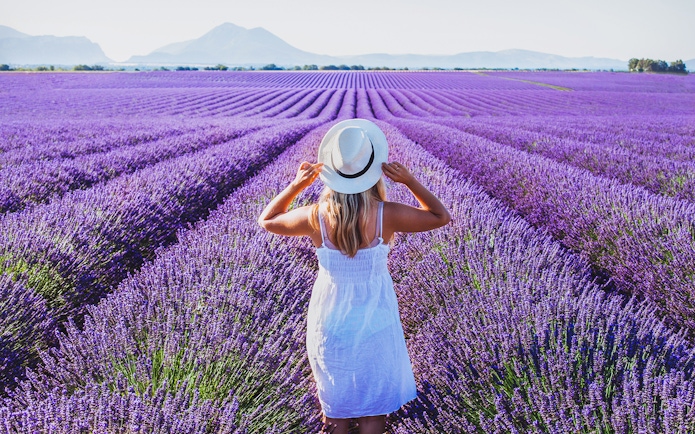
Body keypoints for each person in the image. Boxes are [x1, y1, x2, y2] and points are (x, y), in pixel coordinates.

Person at [258, 119, 450, 434]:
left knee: (335, 409)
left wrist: (297, 186)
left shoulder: (314, 216)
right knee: (375, 410)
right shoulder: (387, 214)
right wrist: (411, 181)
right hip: (377, 317)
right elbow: (440, 217)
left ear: (332, 172)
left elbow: (268, 220)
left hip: (330, 320)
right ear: (374, 171)